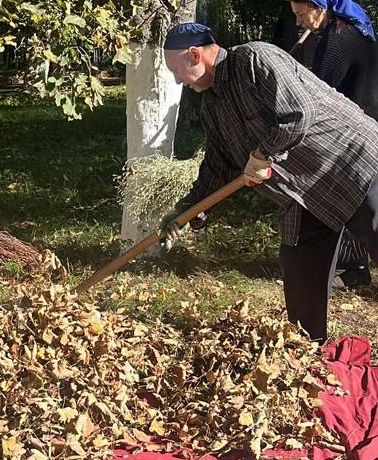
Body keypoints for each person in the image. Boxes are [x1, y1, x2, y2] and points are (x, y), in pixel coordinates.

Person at [159, 21, 378, 343]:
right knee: (300, 265)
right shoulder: (212, 107)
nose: (178, 80)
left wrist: (263, 153)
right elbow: (217, 167)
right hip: (306, 193)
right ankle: (306, 350)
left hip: (351, 164)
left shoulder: (255, 59)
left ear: (195, 55)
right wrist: (187, 211)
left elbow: (299, 113)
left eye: (177, 70)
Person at [290, 0, 378, 287]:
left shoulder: (338, 37)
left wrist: (293, 71)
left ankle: (354, 269)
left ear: (321, 6)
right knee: (357, 198)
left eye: (303, 15)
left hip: (357, 127)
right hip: (367, 119)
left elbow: (323, 87)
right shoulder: (355, 24)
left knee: (354, 197)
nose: (302, 22)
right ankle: (355, 269)